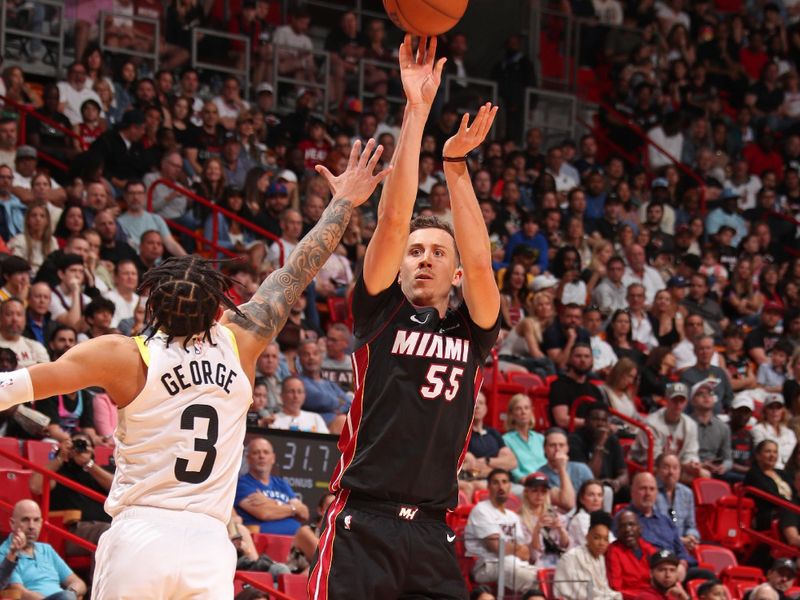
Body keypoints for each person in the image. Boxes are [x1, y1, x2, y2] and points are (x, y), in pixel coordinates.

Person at [0, 137, 389, 597]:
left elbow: (19, 385)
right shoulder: (241, 340)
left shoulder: (124, 355)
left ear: (152, 305)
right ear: (215, 309)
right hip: (209, 543)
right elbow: (297, 271)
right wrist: (342, 203)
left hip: (141, 534)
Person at [309, 37, 501, 600]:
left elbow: (483, 260)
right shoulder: (380, 311)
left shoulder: (474, 328)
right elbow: (392, 219)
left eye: (438, 253)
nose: (423, 258)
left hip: (433, 532)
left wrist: (457, 167)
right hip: (361, 522)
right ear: (398, 269)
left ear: (456, 276)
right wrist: (416, 112)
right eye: (415, 252)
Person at [465, 469, 539, 593]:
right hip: (486, 565)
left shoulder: (513, 516)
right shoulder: (481, 510)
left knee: (543, 575)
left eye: (504, 482)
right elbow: (496, 547)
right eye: (495, 483)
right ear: (488, 487)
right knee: (533, 580)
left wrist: (511, 548)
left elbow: (526, 554)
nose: (501, 486)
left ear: (510, 486)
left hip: (513, 564)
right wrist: (517, 548)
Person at [0, 499, 87, 598]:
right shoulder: (6, 554)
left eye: (36, 520)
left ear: (41, 523)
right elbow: (20, 592)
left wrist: (71, 592)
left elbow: (78, 583)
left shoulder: (47, 549)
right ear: (12, 523)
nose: (31, 526)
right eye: (25, 520)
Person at [235, 437, 311, 535]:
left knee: (307, 532)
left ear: (273, 458)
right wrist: (293, 509)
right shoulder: (242, 484)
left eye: (266, 452)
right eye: (256, 453)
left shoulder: (281, 483)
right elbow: (264, 512)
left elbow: (304, 513)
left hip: (296, 537)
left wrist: (270, 502)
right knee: (306, 533)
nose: (261, 456)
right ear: (248, 458)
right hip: (263, 538)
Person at [631, 382, 705, 479]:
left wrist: (692, 463)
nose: (678, 404)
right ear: (666, 400)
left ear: (686, 403)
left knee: (704, 474)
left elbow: (691, 453)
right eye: (674, 400)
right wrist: (681, 466)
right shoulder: (651, 423)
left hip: (674, 468)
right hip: (647, 467)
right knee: (663, 471)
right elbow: (654, 458)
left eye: (681, 400)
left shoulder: (690, 425)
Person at [554, 511, 622, 600]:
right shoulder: (571, 558)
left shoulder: (600, 558)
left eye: (606, 539)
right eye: (596, 538)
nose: (602, 543)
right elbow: (582, 594)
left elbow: (604, 589)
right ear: (587, 537)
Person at [568, 404, 629, 499]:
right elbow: (589, 477)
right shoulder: (575, 440)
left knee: (629, 492)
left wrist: (617, 482)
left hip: (608, 485)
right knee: (604, 491)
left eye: (604, 420)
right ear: (586, 421)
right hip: (584, 488)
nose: (600, 424)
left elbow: (624, 473)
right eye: (595, 419)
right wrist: (600, 443)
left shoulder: (612, 440)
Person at [518, 472, 569, 568]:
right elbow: (532, 555)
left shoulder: (555, 514)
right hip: (536, 565)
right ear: (526, 491)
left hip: (558, 561)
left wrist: (561, 529)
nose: (539, 495)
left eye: (543, 491)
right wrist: (537, 530)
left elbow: (565, 545)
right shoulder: (519, 519)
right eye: (534, 490)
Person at [548, 342, 605, 429]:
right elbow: (562, 420)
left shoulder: (594, 390)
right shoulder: (559, 386)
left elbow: (603, 417)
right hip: (569, 435)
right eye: (578, 356)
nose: (583, 360)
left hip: (592, 434)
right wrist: (591, 423)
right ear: (570, 359)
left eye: (587, 356)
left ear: (592, 360)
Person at [606, 510, 659, 599]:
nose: (627, 529)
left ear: (639, 528)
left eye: (631, 524)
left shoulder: (647, 547)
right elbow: (615, 589)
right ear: (617, 531)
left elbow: (662, 575)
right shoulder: (613, 551)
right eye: (623, 526)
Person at [654, 454, 700, 554]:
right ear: (657, 469)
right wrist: (679, 540)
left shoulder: (687, 493)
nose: (671, 472)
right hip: (659, 548)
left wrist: (691, 536)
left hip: (681, 550)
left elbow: (691, 525)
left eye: (675, 468)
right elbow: (652, 528)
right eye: (666, 467)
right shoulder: (651, 491)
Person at [539, 428, 592, 512]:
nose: (557, 449)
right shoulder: (540, 475)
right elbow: (568, 504)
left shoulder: (582, 468)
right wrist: (562, 468)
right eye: (552, 445)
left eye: (561, 445)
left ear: (567, 448)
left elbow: (594, 496)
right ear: (545, 449)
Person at [689, 379, 733, 478]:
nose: (706, 396)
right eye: (700, 394)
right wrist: (700, 465)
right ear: (692, 401)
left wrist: (723, 467)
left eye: (710, 393)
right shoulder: (686, 424)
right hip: (690, 468)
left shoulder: (723, 427)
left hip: (714, 471)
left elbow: (728, 459)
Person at [745, 440, 793, 530]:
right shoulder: (754, 474)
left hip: (788, 510)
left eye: (775, 452)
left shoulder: (781, 473)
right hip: (767, 514)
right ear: (758, 456)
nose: (772, 455)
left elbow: (795, 491)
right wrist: (793, 506)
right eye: (768, 451)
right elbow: (771, 495)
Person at [503, 393, 546, 482]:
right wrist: (524, 480)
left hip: (547, 480)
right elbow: (511, 468)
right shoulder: (506, 440)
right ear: (511, 414)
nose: (523, 412)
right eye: (518, 409)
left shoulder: (540, 438)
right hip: (526, 483)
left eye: (526, 408)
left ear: (531, 411)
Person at [751, 394, 797, 470]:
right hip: (766, 470)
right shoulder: (758, 429)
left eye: (778, 408)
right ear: (765, 410)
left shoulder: (790, 433)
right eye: (771, 407)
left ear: (783, 411)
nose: (774, 411)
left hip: (787, 470)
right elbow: (762, 454)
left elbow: (792, 455)